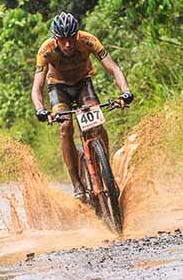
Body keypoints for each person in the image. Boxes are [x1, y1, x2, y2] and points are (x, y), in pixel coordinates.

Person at [31, 12, 134, 200]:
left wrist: (125, 91)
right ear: (56, 39)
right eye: (63, 40)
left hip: (82, 84)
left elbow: (113, 67)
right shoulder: (46, 50)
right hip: (58, 88)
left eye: (71, 38)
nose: (68, 44)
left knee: (96, 122)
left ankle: (107, 171)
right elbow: (37, 87)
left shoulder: (88, 41)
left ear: (77, 34)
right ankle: (76, 183)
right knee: (65, 126)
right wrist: (40, 109)